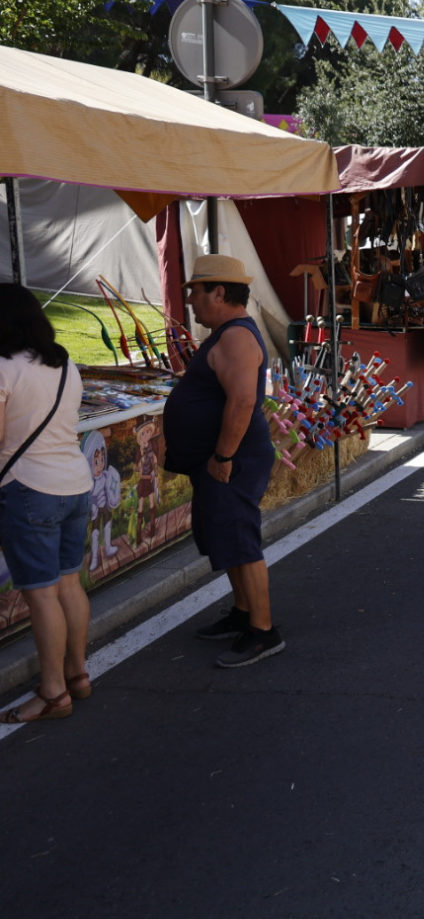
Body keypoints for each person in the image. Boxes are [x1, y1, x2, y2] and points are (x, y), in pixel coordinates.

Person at [167, 256, 282, 668]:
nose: (192, 301)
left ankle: (263, 631)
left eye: (195, 292)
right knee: (226, 540)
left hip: (233, 459)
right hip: (223, 458)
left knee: (239, 540)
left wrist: (223, 456)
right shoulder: (226, 334)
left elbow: (244, 400)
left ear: (219, 292)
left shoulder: (234, 337)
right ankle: (244, 613)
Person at [0, 285, 92, 723]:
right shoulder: (64, 362)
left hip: (27, 488)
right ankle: (77, 675)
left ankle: (54, 692)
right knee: (69, 584)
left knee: (41, 595)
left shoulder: (3, 368)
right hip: (74, 483)